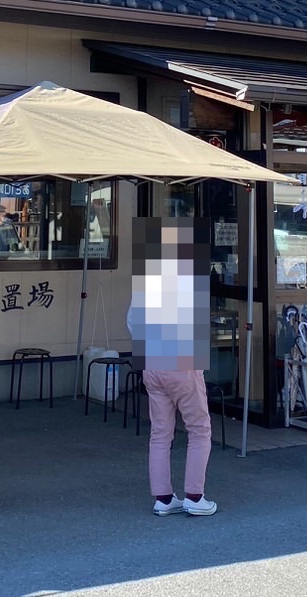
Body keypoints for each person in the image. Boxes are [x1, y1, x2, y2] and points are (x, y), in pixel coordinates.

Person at [128, 218, 216, 517]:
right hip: (181, 362)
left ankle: (163, 498)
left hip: (151, 362)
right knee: (199, 429)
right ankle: (194, 495)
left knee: (160, 433)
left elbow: (132, 322)